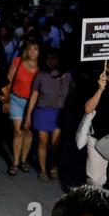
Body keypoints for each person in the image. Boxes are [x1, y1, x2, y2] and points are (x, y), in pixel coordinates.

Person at [25, 48, 74, 182]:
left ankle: (53, 165)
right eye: (48, 58)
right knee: (42, 142)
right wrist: (28, 114)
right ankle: (42, 170)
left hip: (59, 113)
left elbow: (71, 95)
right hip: (42, 112)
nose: (50, 61)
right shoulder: (41, 75)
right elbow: (34, 95)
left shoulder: (67, 76)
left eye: (53, 58)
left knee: (56, 144)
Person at [6, 39, 40, 175]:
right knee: (18, 131)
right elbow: (8, 80)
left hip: (33, 103)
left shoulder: (41, 67)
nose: (32, 52)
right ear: (26, 50)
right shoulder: (17, 61)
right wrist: (6, 100)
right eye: (30, 48)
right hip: (16, 99)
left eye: (36, 49)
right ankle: (15, 162)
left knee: (28, 131)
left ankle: (24, 159)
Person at [84, 60, 109, 190]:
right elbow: (88, 109)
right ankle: (95, 208)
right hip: (97, 138)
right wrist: (100, 89)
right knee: (94, 181)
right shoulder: (97, 81)